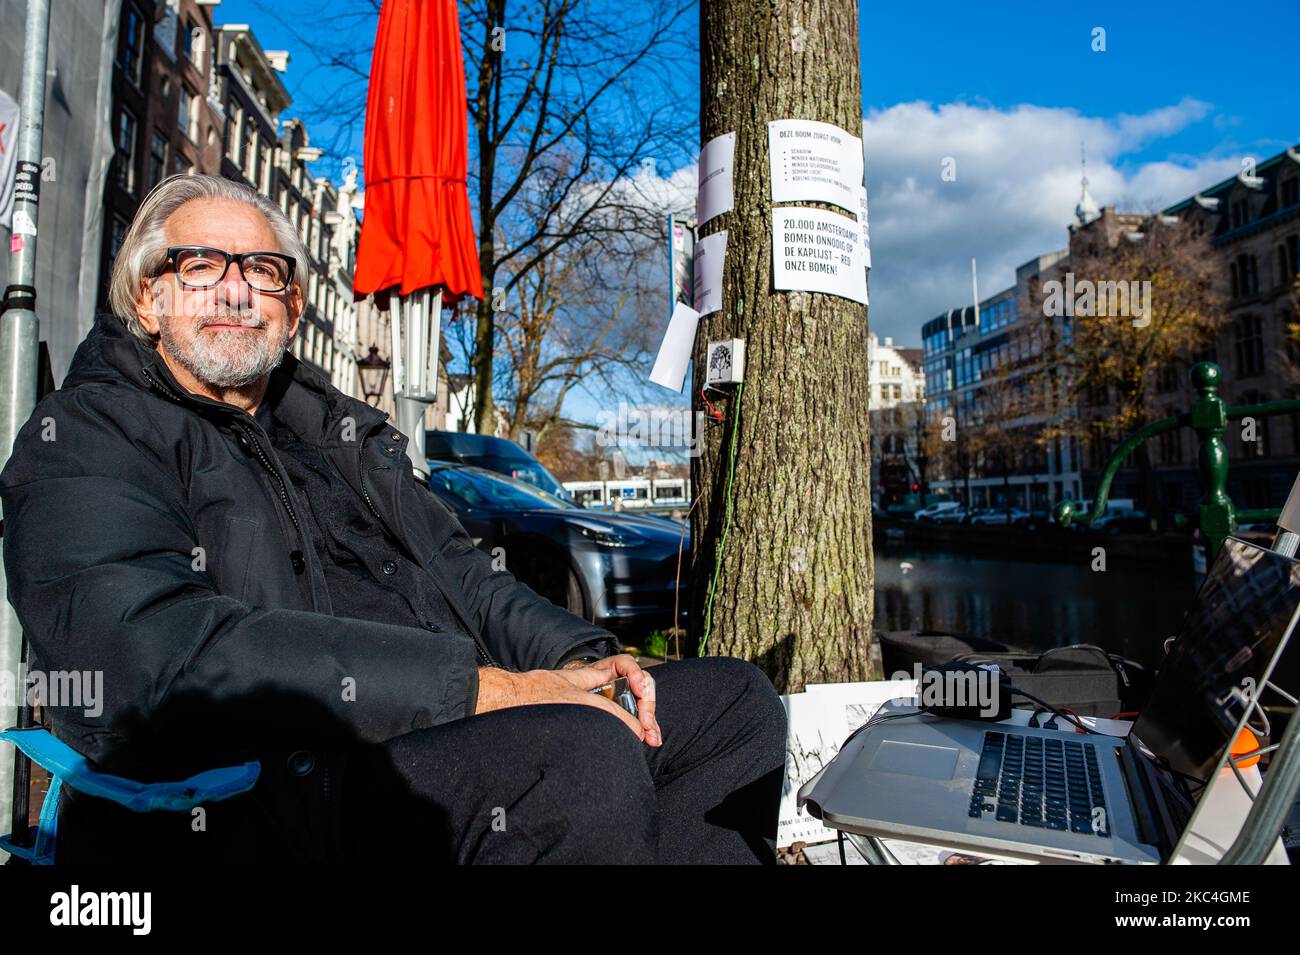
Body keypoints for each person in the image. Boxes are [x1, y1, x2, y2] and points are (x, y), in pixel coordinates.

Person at [0, 174, 787, 864]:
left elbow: (468, 575)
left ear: (294, 305)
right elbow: (153, 655)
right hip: (251, 788)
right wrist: (480, 691)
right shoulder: (86, 436)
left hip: (430, 732)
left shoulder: (337, 433)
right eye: (201, 265)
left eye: (264, 271)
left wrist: (591, 659)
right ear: (148, 296)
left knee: (730, 703)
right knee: (576, 754)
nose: (237, 290)